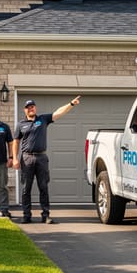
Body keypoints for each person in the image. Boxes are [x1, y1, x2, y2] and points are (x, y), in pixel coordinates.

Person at [12, 95, 81, 224]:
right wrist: (15, 158)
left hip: (41, 158)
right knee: (26, 189)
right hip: (26, 158)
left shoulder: (43, 119)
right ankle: (26, 215)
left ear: (35, 108)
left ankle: (45, 215)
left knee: (43, 187)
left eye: (32, 106)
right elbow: (15, 142)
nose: (30, 109)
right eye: (28, 107)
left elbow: (58, 113)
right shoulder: (20, 124)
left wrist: (71, 104)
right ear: (25, 110)